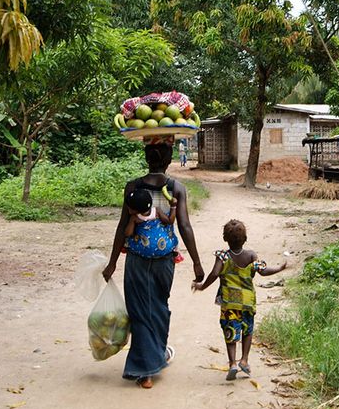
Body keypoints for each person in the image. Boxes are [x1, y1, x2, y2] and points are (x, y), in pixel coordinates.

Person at [102, 140, 204, 389]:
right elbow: (184, 226)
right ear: (169, 160)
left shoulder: (133, 187)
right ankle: (150, 363)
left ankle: (148, 363)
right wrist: (197, 263)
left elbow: (121, 227)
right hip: (164, 263)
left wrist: (113, 262)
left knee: (139, 312)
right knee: (158, 308)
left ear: (146, 158)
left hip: (136, 261)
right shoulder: (176, 188)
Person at [192, 219, 287, 381]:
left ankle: (232, 364)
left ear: (225, 238)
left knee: (230, 332)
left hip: (230, 303)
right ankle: (244, 360)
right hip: (248, 303)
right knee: (247, 331)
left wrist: (202, 286)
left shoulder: (223, 256)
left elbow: (214, 274)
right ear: (245, 239)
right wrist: (279, 268)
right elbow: (263, 271)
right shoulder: (251, 255)